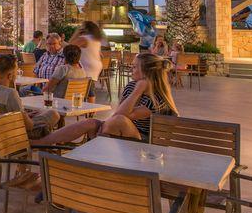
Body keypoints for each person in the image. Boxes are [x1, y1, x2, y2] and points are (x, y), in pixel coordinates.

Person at [36, 52, 178, 145]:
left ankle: (94, 153)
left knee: (119, 120)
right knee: (90, 123)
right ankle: (40, 143)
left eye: (135, 67)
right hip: (122, 133)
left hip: (145, 143)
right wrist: (136, 89)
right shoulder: (131, 86)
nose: (131, 69)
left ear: (146, 72)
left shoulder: (157, 100)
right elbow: (118, 113)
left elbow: (120, 116)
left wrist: (138, 91)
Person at [0, 53, 55, 139]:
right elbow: (29, 126)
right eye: (16, 71)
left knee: (38, 114)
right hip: (6, 138)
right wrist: (29, 118)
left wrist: (25, 115)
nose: (16, 74)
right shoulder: (10, 94)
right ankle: (38, 142)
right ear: (10, 75)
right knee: (53, 114)